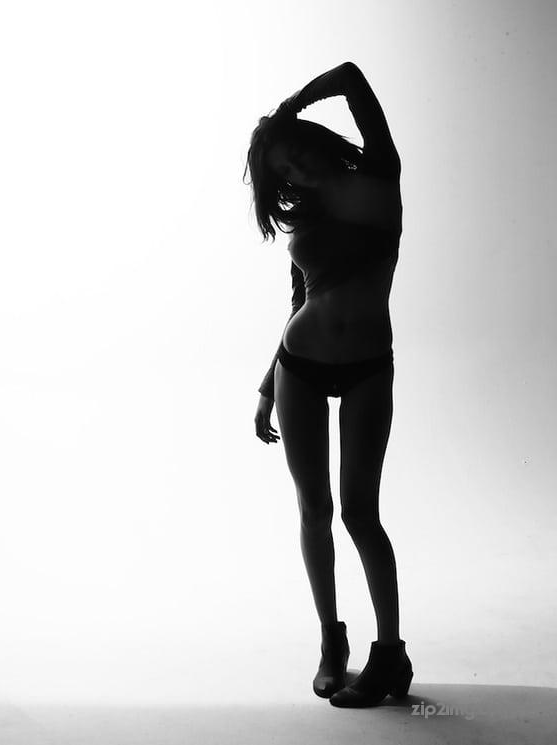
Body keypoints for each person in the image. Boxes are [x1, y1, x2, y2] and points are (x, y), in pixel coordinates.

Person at [243, 61, 412, 708]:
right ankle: (331, 642)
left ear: (311, 136)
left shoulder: (380, 173)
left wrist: (287, 107)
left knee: (360, 513)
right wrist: (268, 384)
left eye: (295, 151)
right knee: (313, 509)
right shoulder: (308, 213)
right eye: (283, 170)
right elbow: (300, 299)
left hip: (369, 364)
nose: (296, 170)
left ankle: (390, 655)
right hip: (300, 366)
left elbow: (350, 76)